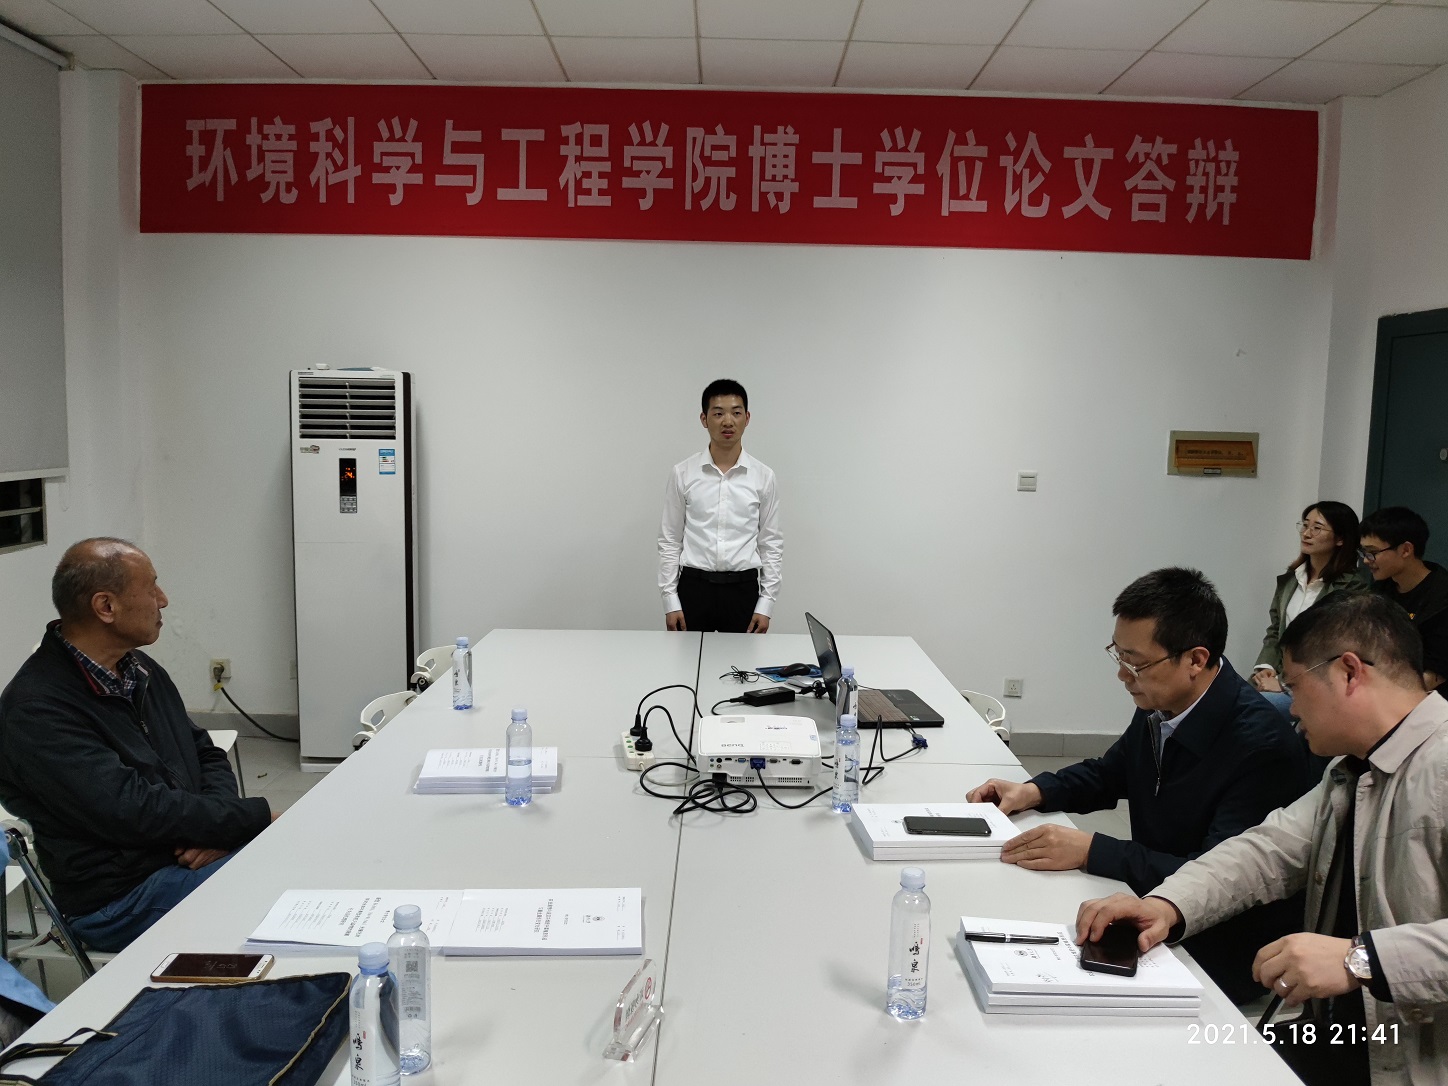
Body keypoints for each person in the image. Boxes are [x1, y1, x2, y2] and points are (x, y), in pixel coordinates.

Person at [1076, 592, 1448, 1086]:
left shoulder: (1439, 767)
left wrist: (1360, 959)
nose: (1290, 707)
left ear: (1349, 673)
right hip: (1349, 1031)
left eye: (1294, 686)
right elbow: (1267, 851)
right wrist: (1166, 904)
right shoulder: (1352, 769)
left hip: (1416, 1056)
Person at [966, 567, 1313, 1004]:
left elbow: (1219, 877)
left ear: (1196, 660)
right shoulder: (1162, 702)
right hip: (1147, 903)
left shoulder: (1261, 748)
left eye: (1136, 663)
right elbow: (1110, 773)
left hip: (1212, 948)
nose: (1122, 675)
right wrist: (1034, 791)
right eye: (1118, 656)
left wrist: (1092, 850)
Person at [0, 538, 275, 952]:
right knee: (283, 874)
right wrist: (250, 818)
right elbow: (131, 810)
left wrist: (218, 831)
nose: (163, 600)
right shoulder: (36, 708)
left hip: (178, 856)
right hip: (121, 900)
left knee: (295, 859)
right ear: (106, 606)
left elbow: (203, 750)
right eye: (151, 588)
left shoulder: (138, 667)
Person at [657, 379, 782, 634]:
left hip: (743, 592)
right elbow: (670, 539)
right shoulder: (683, 473)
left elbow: (770, 543)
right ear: (704, 419)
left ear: (747, 418)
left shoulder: (763, 476)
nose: (728, 421)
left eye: (736, 413)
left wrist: (766, 604)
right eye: (718, 413)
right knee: (687, 660)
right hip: (694, 589)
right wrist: (670, 600)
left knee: (742, 661)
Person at [1251, 500, 1367, 718]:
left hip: (1317, 685)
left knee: (1254, 709)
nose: (1306, 533)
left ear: (1340, 539)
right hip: (1279, 677)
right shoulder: (1290, 580)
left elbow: (1336, 647)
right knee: (1231, 697)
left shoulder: (1353, 586)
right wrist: (1266, 668)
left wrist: (1283, 683)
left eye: (1317, 528)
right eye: (1305, 525)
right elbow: (1275, 631)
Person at [1359, 506, 1448, 695]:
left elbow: (1435, 674)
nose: (1366, 560)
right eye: (1364, 552)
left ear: (1406, 550)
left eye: (1372, 552)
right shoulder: (1380, 590)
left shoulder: (1441, 599)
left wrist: (1382, 698)